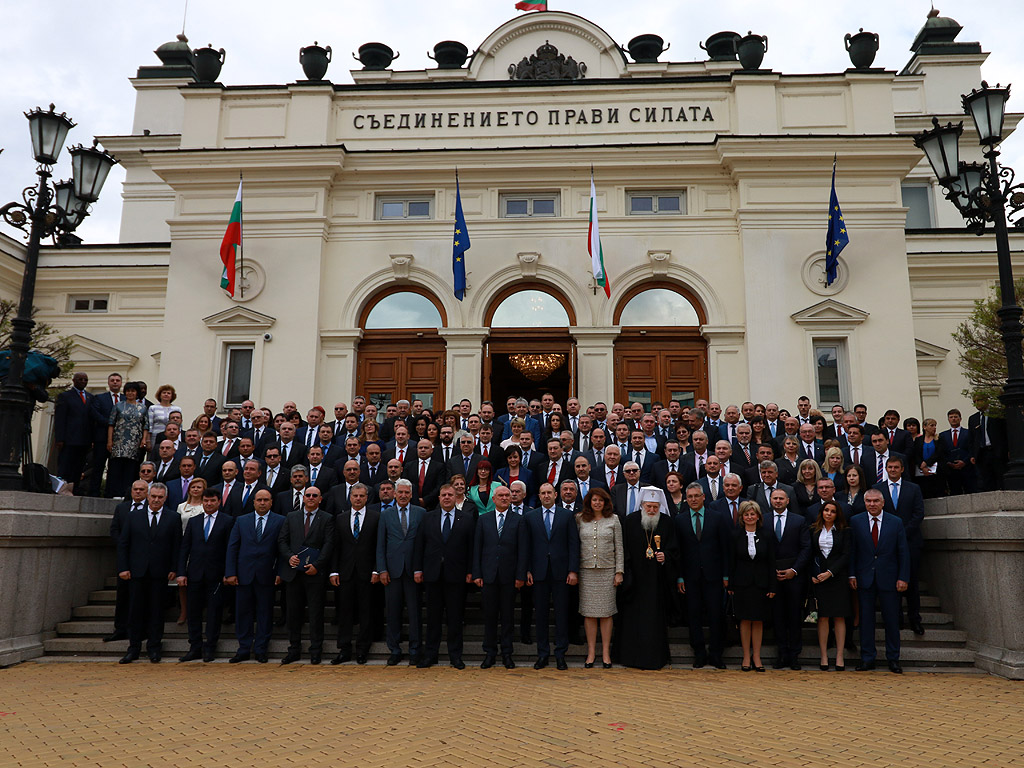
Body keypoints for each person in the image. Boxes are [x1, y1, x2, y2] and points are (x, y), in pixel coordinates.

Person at [413, 483, 476, 669]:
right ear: (439, 498)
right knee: (432, 618)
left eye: (450, 494)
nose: (447, 497)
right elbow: (419, 546)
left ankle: (455, 656)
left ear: (456, 496)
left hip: (456, 576)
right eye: (443, 495)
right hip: (432, 575)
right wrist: (418, 569)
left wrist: (471, 571)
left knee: (455, 619)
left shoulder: (466, 519)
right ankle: (430, 655)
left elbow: (471, 548)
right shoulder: (428, 518)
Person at [117, 483, 181, 663]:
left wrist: (174, 568)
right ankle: (133, 648)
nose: (156, 500)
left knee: (156, 612)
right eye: (153, 496)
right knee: (135, 611)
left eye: (160, 497)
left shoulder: (173, 518)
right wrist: (123, 567)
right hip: (136, 572)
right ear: (148, 496)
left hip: (160, 573)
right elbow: (124, 544)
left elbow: (177, 545)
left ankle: (154, 647)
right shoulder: (133, 517)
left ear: (165, 498)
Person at [519, 482, 580, 670]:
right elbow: (525, 546)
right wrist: (527, 569)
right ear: (538, 496)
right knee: (542, 616)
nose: (546, 496)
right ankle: (543, 654)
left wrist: (573, 570)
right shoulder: (530, 517)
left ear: (556, 495)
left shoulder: (567, 516)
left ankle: (561, 654)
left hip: (561, 573)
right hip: (538, 572)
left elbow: (573, 545)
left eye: (549, 493)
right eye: (542, 493)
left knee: (562, 615)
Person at [618, 487, 679, 670]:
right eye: (648, 506)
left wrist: (665, 556)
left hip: (656, 581)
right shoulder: (630, 521)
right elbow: (624, 548)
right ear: (642, 505)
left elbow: (674, 549)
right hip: (634, 580)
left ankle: (654, 658)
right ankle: (630, 657)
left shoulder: (667, 522)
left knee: (653, 621)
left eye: (655, 507)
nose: (652, 510)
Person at [850, 489, 910, 673]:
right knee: (866, 621)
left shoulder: (895, 522)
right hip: (864, 579)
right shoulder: (856, 521)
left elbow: (903, 552)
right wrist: (852, 575)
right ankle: (867, 658)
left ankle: (893, 659)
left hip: (889, 579)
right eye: (868, 501)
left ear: (883, 503)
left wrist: (903, 577)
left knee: (891, 620)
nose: (872, 504)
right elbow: (853, 551)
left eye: (876, 501)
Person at [225, 488, 285, 663]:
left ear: (271, 502)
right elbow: (232, 547)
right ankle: (243, 648)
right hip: (244, 574)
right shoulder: (241, 521)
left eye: (266, 500)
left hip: (267, 574)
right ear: (253, 502)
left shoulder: (280, 521)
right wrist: (230, 572)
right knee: (243, 613)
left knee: (265, 613)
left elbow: (282, 550)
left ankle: (261, 649)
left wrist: (280, 572)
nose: (262, 503)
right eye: (259, 500)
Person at [674, 482, 730, 669]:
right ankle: (699, 653)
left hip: (714, 576)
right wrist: (680, 577)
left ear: (704, 497)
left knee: (716, 615)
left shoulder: (717, 518)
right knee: (694, 616)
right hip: (690, 578)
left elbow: (724, 548)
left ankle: (716, 654)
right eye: (689, 497)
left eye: (696, 496)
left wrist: (726, 575)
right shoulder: (680, 520)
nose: (693, 500)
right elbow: (678, 552)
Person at [176, 487, 235, 662]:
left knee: (214, 613)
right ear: (202, 502)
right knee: (193, 612)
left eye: (212, 501)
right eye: (206, 501)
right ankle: (195, 646)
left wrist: (228, 572)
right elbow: (184, 549)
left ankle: (210, 647)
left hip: (216, 575)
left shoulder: (228, 521)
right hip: (194, 574)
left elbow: (230, 550)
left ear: (219, 502)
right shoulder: (194, 521)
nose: (209, 504)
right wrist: (181, 572)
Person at [472, 485, 523, 669]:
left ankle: (507, 653)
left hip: (510, 577)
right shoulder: (483, 520)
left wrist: (520, 575)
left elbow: (522, 550)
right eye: (500, 495)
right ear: (493, 499)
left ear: (511, 499)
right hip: (488, 576)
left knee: (508, 618)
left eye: (507, 496)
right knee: (490, 617)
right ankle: (490, 653)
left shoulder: (518, 520)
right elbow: (477, 548)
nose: (503, 498)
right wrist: (477, 573)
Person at [329, 483, 379, 665]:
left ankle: (362, 650)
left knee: (366, 611)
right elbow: (336, 547)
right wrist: (334, 571)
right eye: (355, 496)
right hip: (345, 572)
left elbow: (377, 546)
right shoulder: (341, 518)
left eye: (361, 496)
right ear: (350, 497)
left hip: (367, 573)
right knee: (345, 612)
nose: (358, 499)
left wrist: (376, 569)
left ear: (367, 498)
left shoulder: (375, 517)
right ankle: (344, 649)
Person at [875, 456, 925, 636]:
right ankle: (897, 619)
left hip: (911, 542)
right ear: (886, 469)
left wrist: (902, 533)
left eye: (896, 467)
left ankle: (915, 619)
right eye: (890, 467)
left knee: (911, 583)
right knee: (890, 583)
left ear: (902, 469)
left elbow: (919, 513)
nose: (893, 470)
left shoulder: (913, 489)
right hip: (887, 545)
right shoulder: (877, 489)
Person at [376, 478, 424, 666]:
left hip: (414, 571)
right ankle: (394, 650)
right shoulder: (386, 515)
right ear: (394, 494)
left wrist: (420, 568)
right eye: (400, 492)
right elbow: (381, 544)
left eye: (406, 493)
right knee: (393, 612)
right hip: (392, 571)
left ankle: (415, 650)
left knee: (414, 613)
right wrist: (382, 569)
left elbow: (424, 543)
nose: (403, 495)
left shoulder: (421, 513)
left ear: (411, 495)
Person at [575, 487, 623, 668]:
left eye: (600, 500)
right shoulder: (580, 519)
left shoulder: (614, 520)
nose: (597, 503)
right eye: (594, 500)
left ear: (606, 502)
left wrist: (619, 571)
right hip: (586, 571)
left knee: (606, 613)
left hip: (607, 571)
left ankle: (605, 653)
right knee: (588, 613)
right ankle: (591, 653)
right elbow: (575, 545)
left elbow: (619, 547)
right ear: (589, 502)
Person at [767, 488, 811, 670]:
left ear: (787, 501)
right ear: (770, 500)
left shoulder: (799, 520)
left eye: (781, 498)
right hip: (772, 576)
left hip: (794, 577)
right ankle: (782, 654)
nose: (778, 501)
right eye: (775, 498)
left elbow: (806, 548)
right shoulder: (763, 519)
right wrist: (771, 571)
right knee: (777, 617)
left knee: (794, 616)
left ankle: (794, 656)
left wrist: (794, 570)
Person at [729, 500, 775, 671]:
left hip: (761, 584)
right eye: (746, 514)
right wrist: (731, 584)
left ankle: (757, 656)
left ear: (758, 516)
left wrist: (772, 586)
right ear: (742, 517)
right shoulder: (735, 535)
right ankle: (746, 657)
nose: (750, 517)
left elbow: (771, 562)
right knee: (745, 620)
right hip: (741, 584)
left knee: (758, 620)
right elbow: (731, 561)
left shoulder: (767, 535)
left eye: (752, 514)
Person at [809, 500, 852, 670]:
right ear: (821, 512)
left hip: (837, 578)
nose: (829, 513)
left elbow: (846, 555)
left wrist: (830, 572)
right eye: (826, 510)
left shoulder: (845, 531)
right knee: (823, 616)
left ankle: (840, 656)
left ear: (837, 514)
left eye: (832, 511)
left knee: (839, 616)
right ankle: (824, 656)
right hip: (819, 579)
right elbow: (810, 554)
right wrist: (813, 574)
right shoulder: (813, 530)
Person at [104, 479, 149, 642]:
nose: (138, 492)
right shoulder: (122, 508)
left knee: (139, 596)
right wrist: (124, 545)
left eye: (141, 490)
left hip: (143, 559)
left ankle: (138, 629)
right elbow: (114, 529)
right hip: (124, 558)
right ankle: (120, 628)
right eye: (135, 489)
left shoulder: (150, 508)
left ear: (147, 492)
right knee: (122, 595)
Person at [174, 476, 207, 624]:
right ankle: (184, 611)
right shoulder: (181, 507)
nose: (195, 489)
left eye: (199, 487)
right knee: (182, 581)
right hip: (183, 546)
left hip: (200, 548)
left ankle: (199, 610)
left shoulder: (206, 506)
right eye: (193, 487)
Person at [106, 381, 148, 498]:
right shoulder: (118, 405)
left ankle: (127, 493)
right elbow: (111, 424)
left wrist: (144, 440)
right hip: (119, 441)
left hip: (134, 442)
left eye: (133, 391)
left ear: (137, 393)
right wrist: (110, 440)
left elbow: (146, 426)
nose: (130, 393)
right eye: (128, 391)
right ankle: (114, 492)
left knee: (130, 469)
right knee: (116, 468)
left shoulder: (143, 408)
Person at [54, 371, 94, 492]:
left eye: (85, 380)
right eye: (80, 379)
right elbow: (60, 419)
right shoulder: (65, 396)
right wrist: (59, 438)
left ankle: (74, 489)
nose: (83, 382)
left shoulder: (90, 397)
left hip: (84, 440)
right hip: (68, 439)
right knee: (65, 465)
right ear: (74, 381)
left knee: (79, 466)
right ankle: (61, 488)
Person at [939, 408, 974, 495]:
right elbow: (942, 451)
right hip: (951, 470)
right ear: (948, 419)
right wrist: (949, 463)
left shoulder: (968, 432)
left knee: (970, 490)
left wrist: (964, 462)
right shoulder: (943, 435)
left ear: (960, 419)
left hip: (967, 468)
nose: (953, 419)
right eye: (951, 417)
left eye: (956, 417)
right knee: (955, 491)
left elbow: (972, 448)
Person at [913, 418, 947, 499]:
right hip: (922, 471)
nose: (934, 428)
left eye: (935, 425)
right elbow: (916, 453)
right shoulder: (918, 440)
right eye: (931, 425)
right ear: (924, 427)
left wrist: (927, 463)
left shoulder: (939, 439)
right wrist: (922, 465)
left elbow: (938, 453)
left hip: (937, 470)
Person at [145, 385, 181, 451]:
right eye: (164, 393)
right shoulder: (153, 408)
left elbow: (179, 425)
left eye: (168, 393)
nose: (166, 394)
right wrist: (148, 440)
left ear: (172, 396)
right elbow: (149, 425)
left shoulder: (177, 409)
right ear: (160, 395)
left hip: (172, 436)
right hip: (155, 437)